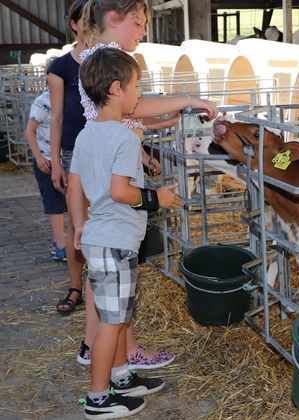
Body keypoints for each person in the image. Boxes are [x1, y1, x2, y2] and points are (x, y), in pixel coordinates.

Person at [76, 0, 219, 370]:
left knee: (105, 284)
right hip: (118, 198)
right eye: (137, 23)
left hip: (104, 194)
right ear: (113, 19)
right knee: (117, 291)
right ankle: (115, 361)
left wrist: (166, 119)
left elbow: (127, 114)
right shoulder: (109, 58)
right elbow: (133, 110)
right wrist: (189, 99)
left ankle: (97, 350)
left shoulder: (96, 58)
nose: (142, 32)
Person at [68, 47, 183, 419]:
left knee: (113, 317)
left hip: (102, 237)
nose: (139, 94)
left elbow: (84, 185)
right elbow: (121, 191)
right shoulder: (122, 138)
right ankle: (98, 399)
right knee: (112, 322)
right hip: (114, 239)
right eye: (137, 87)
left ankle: (119, 377)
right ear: (117, 88)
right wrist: (158, 197)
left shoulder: (89, 134)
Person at [48, 0, 88, 313]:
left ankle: (104, 284)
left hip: (107, 150)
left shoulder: (108, 60)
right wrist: (56, 162)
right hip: (75, 151)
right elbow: (57, 117)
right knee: (76, 223)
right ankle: (76, 288)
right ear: (73, 23)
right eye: (83, 18)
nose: (89, 23)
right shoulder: (60, 67)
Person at [26, 80, 67, 262]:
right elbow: (30, 131)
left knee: (74, 201)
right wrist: (39, 158)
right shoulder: (42, 101)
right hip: (47, 161)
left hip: (66, 158)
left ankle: (76, 242)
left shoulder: (70, 100)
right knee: (54, 203)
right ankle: (61, 245)